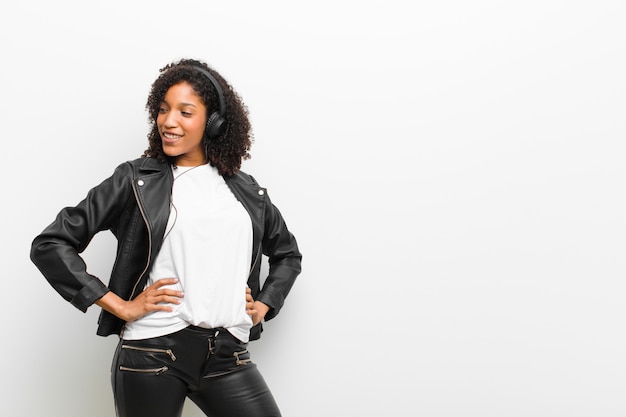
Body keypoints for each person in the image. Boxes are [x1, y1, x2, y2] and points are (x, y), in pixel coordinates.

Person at [30, 58, 302, 417]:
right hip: (152, 353)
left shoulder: (245, 191)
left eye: (185, 112)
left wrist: (263, 305)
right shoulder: (135, 179)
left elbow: (287, 254)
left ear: (214, 123)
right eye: (162, 110)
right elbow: (51, 244)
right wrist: (120, 305)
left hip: (228, 355)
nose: (168, 121)